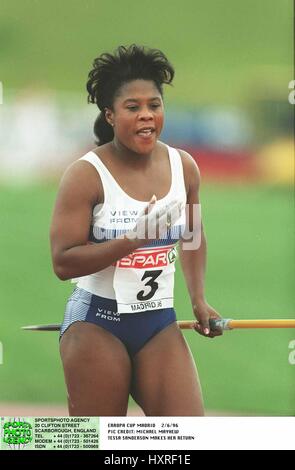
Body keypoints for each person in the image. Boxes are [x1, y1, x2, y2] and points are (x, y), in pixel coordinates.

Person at [50, 44, 222, 417]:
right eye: (133, 108)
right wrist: (134, 239)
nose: (146, 116)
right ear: (110, 115)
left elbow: (192, 236)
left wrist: (198, 299)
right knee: (105, 444)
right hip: (97, 324)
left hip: (158, 323)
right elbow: (63, 263)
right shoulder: (85, 175)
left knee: (186, 439)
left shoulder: (184, 166)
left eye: (154, 105)